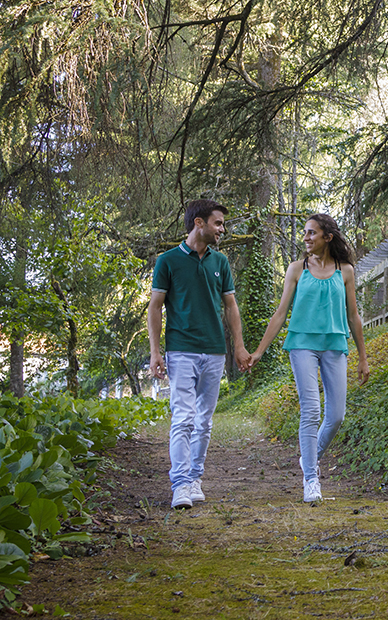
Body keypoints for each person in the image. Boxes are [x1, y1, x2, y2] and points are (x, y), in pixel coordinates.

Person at [250, 213, 369, 503]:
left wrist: (363, 357)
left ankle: (309, 457)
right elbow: (280, 314)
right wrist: (259, 352)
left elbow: (354, 316)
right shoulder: (296, 269)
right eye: (305, 232)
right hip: (301, 344)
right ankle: (311, 479)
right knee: (311, 410)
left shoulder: (346, 271)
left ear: (327, 237)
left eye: (312, 233)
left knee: (337, 415)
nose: (306, 238)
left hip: (335, 344)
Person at [148, 199, 252, 509]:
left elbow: (231, 306)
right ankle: (179, 483)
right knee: (183, 417)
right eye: (218, 223)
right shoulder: (167, 261)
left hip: (214, 352)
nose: (223, 229)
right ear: (199, 223)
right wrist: (156, 352)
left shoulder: (220, 262)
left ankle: (194, 478)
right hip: (181, 350)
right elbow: (155, 307)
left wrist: (238, 345)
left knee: (204, 421)